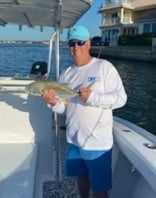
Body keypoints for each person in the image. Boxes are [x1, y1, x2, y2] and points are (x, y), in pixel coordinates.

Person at [42, 25, 127, 198]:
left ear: (88, 43)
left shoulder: (104, 67)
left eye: (80, 42)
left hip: (97, 143)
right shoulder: (66, 74)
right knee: (81, 178)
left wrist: (93, 97)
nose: (76, 47)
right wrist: (53, 103)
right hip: (73, 140)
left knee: (100, 188)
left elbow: (121, 99)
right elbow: (65, 108)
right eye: (72, 43)